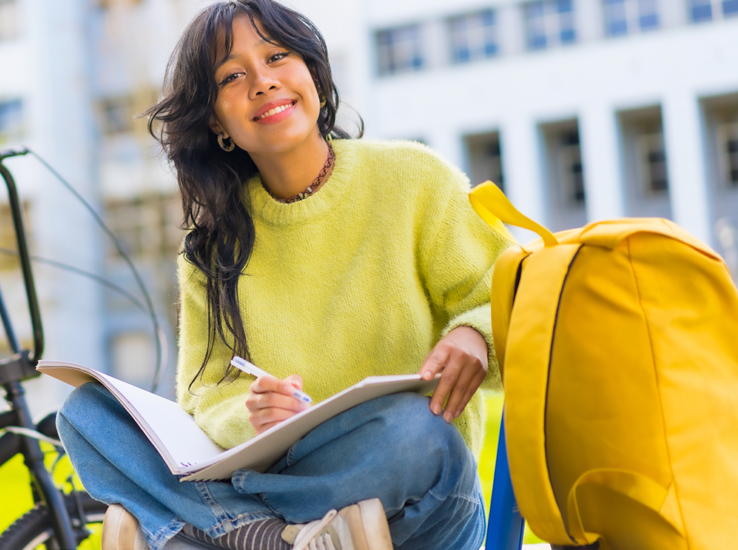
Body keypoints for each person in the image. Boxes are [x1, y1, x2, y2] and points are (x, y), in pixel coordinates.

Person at [57, 1, 511, 549]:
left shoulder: (416, 179)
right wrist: (252, 416)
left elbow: (516, 300)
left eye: (277, 56)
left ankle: (207, 530)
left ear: (314, 74)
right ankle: (268, 536)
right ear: (215, 122)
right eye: (233, 76)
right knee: (89, 414)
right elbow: (203, 395)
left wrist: (475, 333)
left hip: (409, 497)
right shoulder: (211, 248)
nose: (263, 82)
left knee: (418, 430)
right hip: (279, 479)